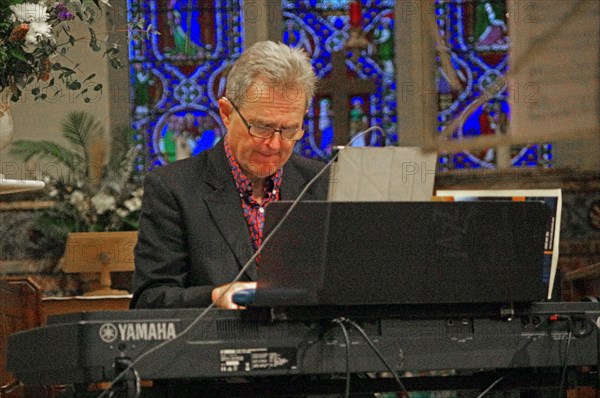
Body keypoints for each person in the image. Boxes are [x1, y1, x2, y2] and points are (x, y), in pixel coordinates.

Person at [131, 41, 328, 310]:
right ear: (226, 113)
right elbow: (149, 300)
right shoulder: (173, 189)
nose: (274, 144)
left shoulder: (321, 183)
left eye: (290, 130)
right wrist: (214, 297)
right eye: (261, 127)